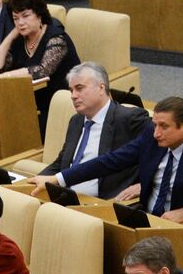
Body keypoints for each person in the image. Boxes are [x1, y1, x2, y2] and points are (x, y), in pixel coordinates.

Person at [32, 96, 183, 222]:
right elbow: (110, 161)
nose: (156, 133)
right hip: (142, 217)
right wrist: (57, 179)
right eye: (155, 124)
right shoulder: (152, 138)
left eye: (164, 127)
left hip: (177, 226)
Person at [37, 63, 150, 199]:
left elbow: (161, 152)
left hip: (102, 202)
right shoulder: (76, 120)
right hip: (65, 196)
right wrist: (33, 182)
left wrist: (144, 184)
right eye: (71, 90)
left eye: (79, 88)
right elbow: (62, 163)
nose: (73, 95)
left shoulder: (129, 118)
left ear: (101, 88)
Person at [0, 0, 80, 129]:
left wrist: (5, 76)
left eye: (25, 16)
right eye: (15, 18)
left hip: (58, 104)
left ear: (39, 15)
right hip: (29, 102)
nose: (20, 22)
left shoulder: (56, 38)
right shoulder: (19, 39)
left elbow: (42, 70)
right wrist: (10, 36)